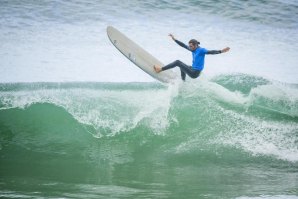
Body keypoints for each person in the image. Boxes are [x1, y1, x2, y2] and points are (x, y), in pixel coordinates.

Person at [154, 34, 230, 81]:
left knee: (178, 62)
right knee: (182, 66)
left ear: (196, 45)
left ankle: (160, 69)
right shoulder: (193, 49)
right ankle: (183, 82)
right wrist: (174, 39)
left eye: (191, 46)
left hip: (195, 73)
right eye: (189, 46)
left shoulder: (201, 50)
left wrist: (221, 51)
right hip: (193, 69)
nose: (190, 48)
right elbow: (183, 45)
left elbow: (211, 52)